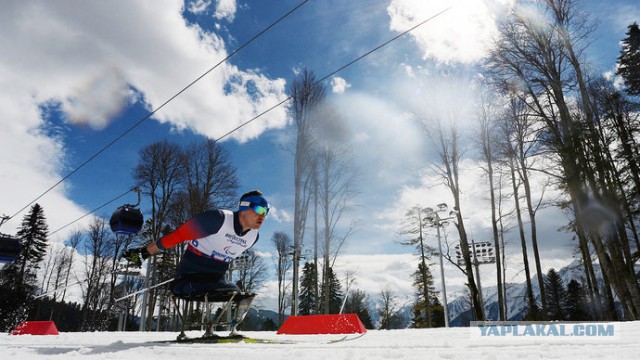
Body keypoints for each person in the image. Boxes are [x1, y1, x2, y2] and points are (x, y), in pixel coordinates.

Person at [122, 190, 269, 334]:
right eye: (259, 208)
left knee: (243, 295)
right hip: (187, 280)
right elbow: (177, 236)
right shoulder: (217, 219)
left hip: (216, 281)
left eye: (266, 211)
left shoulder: (253, 237)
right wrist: (143, 253)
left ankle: (232, 328)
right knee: (222, 289)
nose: (263, 215)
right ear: (244, 206)